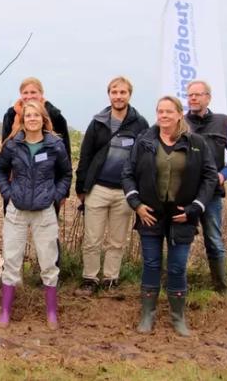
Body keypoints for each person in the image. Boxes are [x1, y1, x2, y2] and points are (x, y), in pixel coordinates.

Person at [122, 96, 218, 336]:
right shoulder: (145, 141)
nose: (163, 115)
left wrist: (195, 207)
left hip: (182, 216)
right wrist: (136, 204)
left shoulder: (196, 143)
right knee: (151, 264)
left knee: (177, 267)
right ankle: (147, 315)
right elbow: (128, 173)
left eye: (168, 111)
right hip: (150, 214)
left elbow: (209, 177)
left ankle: (178, 318)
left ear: (178, 114)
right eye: (159, 111)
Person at [0, 101, 72, 330]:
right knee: (11, 259)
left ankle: (51, 313)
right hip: (17, 210)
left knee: (48, 261)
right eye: (28, 115)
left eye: (36, 115)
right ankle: (6, 311)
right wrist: (7, 193)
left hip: (44, 212)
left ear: (43, 118)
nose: (32, 119)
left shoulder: (55, 144)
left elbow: (66, 174)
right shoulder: (12, 145)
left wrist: (55, 196)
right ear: (23, 120)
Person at [74, 76, 149, 296]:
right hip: (98, 188)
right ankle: (90, 279)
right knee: (92, 239)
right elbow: (86, 156)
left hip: (125, 191)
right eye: (114, 92)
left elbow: (145, 159)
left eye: (123, 92)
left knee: (117, 240)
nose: (118, 96)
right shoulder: (98, 122)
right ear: (109, 94)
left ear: (129, 95)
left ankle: (110, 280)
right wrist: (81, 188)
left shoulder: (140, 123)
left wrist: (140, 191)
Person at [185, 80, 227, 297]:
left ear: (208, 97)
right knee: (181, 240)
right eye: (190, 95)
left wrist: (224, 174)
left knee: (214, 240)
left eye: (198, 95)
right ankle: (180, 286)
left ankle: (221, 289)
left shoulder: (223, 122)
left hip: (211, 194)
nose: (193, 98)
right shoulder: (180, 122)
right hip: (185, 195)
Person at [1, 77, 71, 160]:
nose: (29, 96)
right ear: (21, 94)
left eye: (33, 92)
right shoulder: (11, 115)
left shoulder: (54, 115)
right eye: (25, 93)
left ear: (41, 93)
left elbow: (64, 149)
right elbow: (5, 147)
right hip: (17, 168)